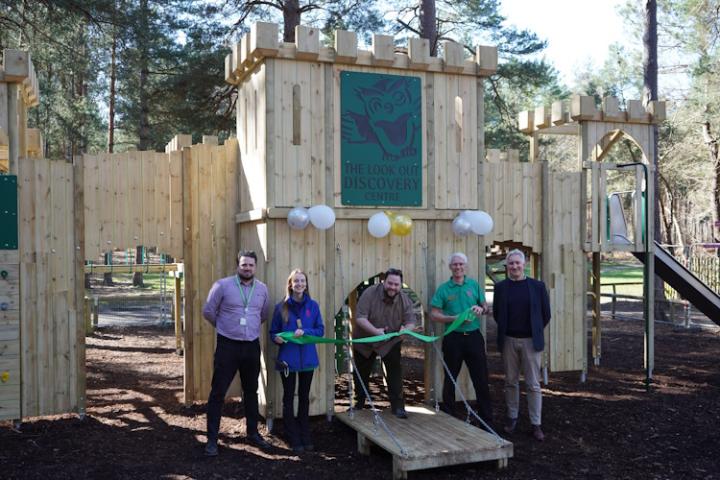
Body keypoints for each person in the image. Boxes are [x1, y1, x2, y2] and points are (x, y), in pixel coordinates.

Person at [202, 250, 271, 456]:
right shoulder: (222, 286)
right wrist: (225, 327)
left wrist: (246, 329)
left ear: (255, 267)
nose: (247, 268)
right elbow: (208, 311)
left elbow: (263, 314)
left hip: (251, 345)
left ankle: (252, 433)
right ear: (237, 266)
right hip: (227, 346)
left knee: (251, 391)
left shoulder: (262, 289)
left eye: (250, 265)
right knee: (218, 393)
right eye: (243, 265)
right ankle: (212, 440)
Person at [492, 249, 551, 441]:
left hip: (531, 342)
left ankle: (536, 423)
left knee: (533, 384)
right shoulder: (500, 288)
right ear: (507, 266)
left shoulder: (537, 287)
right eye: (511, 263)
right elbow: (497, 314)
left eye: (518, 263)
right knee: (510, 382)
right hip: (509, 340)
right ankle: (512, 418)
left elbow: (545, 314)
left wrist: (532, 331)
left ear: (524, 264)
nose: (514, 266)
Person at [430, 252, 493, 427]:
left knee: (481, 378)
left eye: (461, 264)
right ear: (450, 267)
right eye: (455, 264)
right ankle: (449, 417)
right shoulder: (444, 289)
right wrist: (454, 318)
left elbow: (485, 306)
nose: (458, 267)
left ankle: (486, 419)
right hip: (453, 338)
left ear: (465, 267)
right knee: (450, 378)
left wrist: (482, 309)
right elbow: (434, 314)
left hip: (474, 338)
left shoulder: (473, 285)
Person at [270, 269, 324, 454]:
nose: (300, 284)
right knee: (288, 399)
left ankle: (305, 434)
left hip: (308, 361)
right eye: (296, 281)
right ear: (290, 284)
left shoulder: (313, 306)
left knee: (303, 398)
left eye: (303, 281)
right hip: (288, 361)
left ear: (306, 284)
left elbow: (320, 331)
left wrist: (306, 332)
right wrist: (276, 339)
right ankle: (292, 437)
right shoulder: (281, 307)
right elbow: (273, 332)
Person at [352, 268, 417, 419]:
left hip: (390, 341)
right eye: (390, 283)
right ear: (384, 282)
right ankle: (359, 403)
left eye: (396, 284)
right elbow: (360, 317)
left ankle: (398, 407)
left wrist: (405, 330)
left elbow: (411, 322)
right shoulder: (369, 293)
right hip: (366, 340)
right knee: (361, 373)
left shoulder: (404, 299)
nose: (393, 287)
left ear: (401, 285)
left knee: (394, 372)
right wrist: (375, 332)